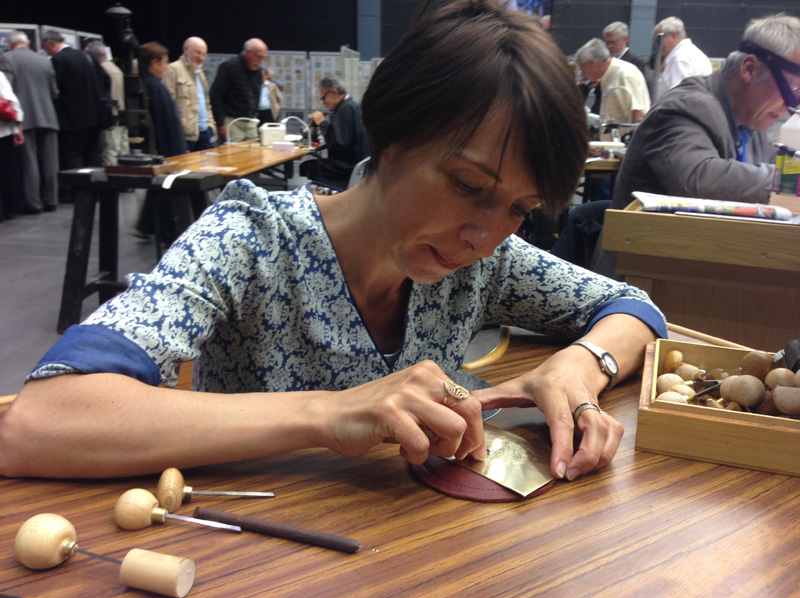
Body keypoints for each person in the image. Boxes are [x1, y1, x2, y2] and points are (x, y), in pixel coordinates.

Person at [0, 0, 666, 483]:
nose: (486, 237)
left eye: (520, 208)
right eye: (468, 185)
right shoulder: (253, 239)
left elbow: (636, 308)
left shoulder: (482, 262)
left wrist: (577, 368)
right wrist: (327, 413)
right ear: (390, 134)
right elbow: (41, 419)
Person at [592, 13, 800, 280]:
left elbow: (769, 171)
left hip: (704, 272)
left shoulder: (753, 122)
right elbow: (698, 178)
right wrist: (790, 181)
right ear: (749, 69)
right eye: (793, 92)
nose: (791, 108)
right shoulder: (685, 107)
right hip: (644, 280)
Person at [42, 30, 108, 202]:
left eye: (45, 48)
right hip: (95, 116)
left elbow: (55, 90)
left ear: (51, 43)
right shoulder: (87, 56)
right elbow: (105, 79)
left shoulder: (59, 60)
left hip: (72, 118)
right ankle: (98, 189)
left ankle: (80, 192)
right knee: (94, 153)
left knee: (74, 154)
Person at [133, 42, 188, 241]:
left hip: (165, 148)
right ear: (154, 62)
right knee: (165, 189)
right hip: (167, 150)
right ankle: (167, 233)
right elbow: (166, 125)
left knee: (159, 189)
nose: (166, 67)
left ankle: (145, 225)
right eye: (164, 62)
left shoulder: (150, 85)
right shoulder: (154, 87)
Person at [0, 30, 60, 214]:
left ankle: (34, 204)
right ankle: (51, 200)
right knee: (51, 162)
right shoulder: (44, 60)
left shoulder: (6, 58)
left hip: (25, 118)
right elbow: (54, 92)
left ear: (10, 44)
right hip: (48, 116)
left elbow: (5, 92)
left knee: (29, 163)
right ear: (27, 42)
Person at [300, 76, 369, 190]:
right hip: (359, 163)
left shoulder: (345, 109)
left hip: (349, 167)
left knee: (308, 166)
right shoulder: (353, 105)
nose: (324, 103)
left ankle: (328, 196)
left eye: (323, 98)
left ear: (334, 92)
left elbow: (339, 144)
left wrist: (322, 123)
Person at [162, 36, 217, 152]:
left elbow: (207, 103)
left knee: (205, 169)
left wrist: (211, 127)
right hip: (185, 135)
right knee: (185, 169)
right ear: (186, 49)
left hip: (204, 132)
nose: (201, 58)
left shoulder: (200, 74)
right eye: (197, 53)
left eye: (203, 54)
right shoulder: (172, 69)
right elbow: (168, 102)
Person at [576, 38, 650, 125]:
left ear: (592, 63)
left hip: (625, 137)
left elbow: (638, 115)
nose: (583, 74)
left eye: (582, 68)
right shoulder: (609, 75)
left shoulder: (623, 73)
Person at [209, 38, 266, 143]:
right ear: (248, 52)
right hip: (232, 121)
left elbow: (255, 98)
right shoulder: (229, 67)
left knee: (253, 156)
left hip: (251, 122)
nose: (261, 61)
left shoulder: (258, 72)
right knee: (234, 156)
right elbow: (215, 96)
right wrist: (221, 124)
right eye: (258, 57)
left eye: (263, 58)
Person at [85, 41, 129, 166]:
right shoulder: (115, 68)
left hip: (111, 118)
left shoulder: (102, 69)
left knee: (110, 151)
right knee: (122, 152)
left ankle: (113, 183)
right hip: (121, 115)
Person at [653, 17, 712, 99]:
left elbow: (678, 99)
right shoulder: (698, 54)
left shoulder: (679, 58)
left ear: (673, 35)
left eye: (659, 40)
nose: (657, 45)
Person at [0, 71, 24, 222]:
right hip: (3, 131)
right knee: (6, 171)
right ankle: (8, 209)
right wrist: (18, 128)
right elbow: (11, 100)